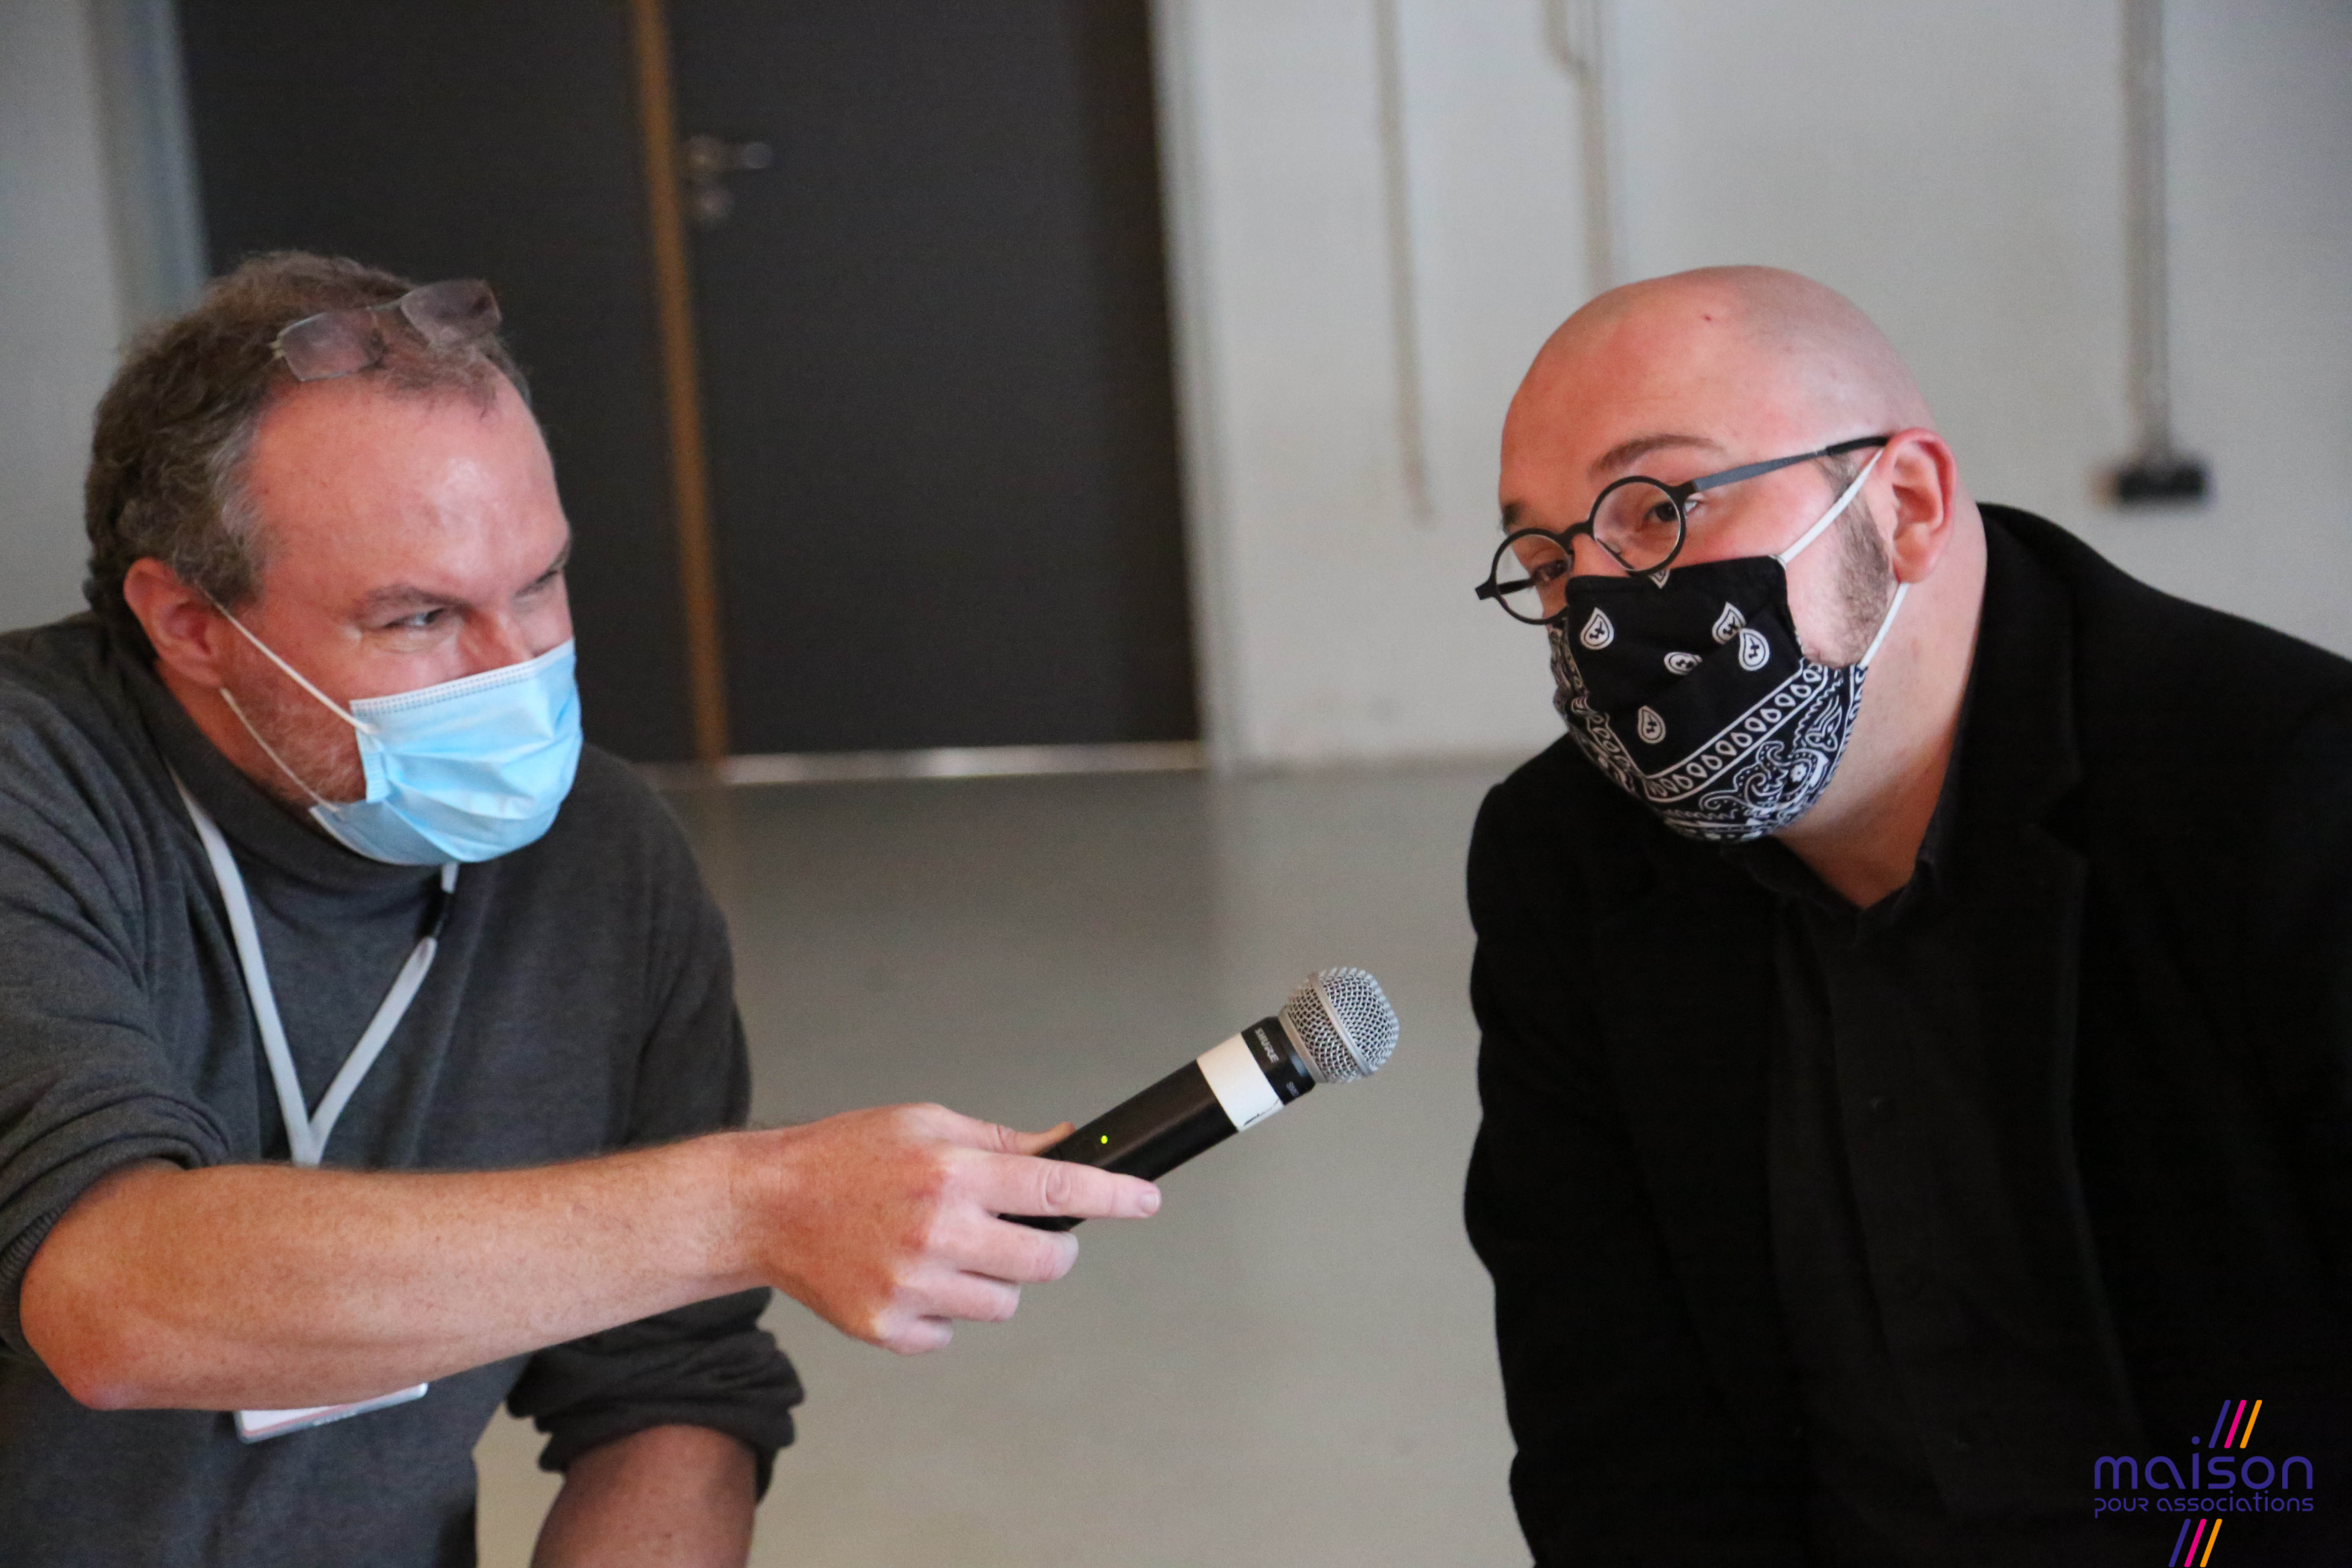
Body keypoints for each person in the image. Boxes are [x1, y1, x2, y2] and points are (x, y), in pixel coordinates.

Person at [0, 252, 1158, 1567]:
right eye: (421, 617)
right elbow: (114, 1299)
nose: (521, 672)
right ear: (191, 624)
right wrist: (754, 1208)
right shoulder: (40, 790)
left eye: (541, 585)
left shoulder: (598, 856)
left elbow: (669, 1389)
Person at [1462, 265, 2352, 1565]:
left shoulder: (2286, 796)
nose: (1598, 608)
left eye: (1659, 510)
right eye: (1549, 562)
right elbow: (1609, 1420)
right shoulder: (1569, 861)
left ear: (1910, 504)